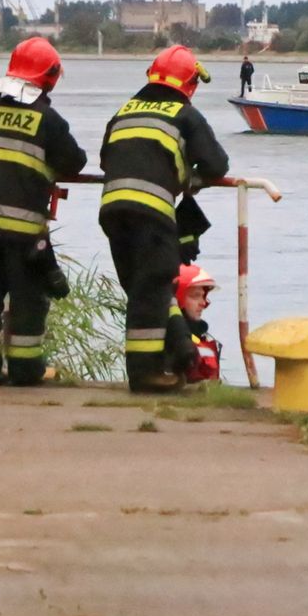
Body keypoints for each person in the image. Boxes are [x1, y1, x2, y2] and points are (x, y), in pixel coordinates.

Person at [98, 45, 230, 393]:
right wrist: (188, 174)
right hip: (152, 212)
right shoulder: (185, 115)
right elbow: (217, 165)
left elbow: (104, 158)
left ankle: (181, 351)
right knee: (154, 287)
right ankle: (145, 375)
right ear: (189, 84)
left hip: (112, 210)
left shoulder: (125, 110)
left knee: (144, 288)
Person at [0, 37, 86, 387]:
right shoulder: (48, 119)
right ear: (49, 77)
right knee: (28, 301)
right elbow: (75, 162)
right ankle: (25, 369)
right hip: (23, 230)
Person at [169, 264, 222, 383]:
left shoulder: (198, 337)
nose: (203, 303)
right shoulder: (171, 339)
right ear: (178, 299)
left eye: (203, 296)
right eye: (196, 296)